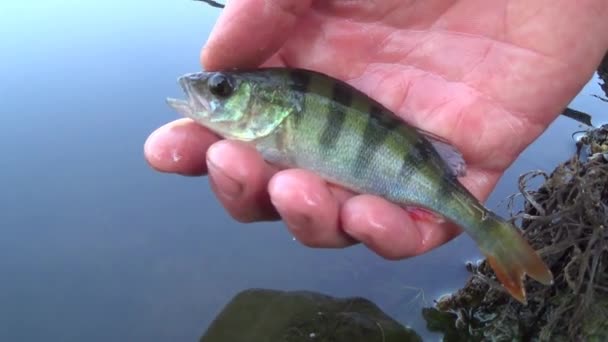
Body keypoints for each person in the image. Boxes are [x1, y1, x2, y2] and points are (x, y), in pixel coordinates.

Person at [144, 0, 608, 259]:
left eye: (224, 89)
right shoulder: (272, 121)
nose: (210, 90)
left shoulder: (277, 123)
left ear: (267, 105)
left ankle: (489, 232)